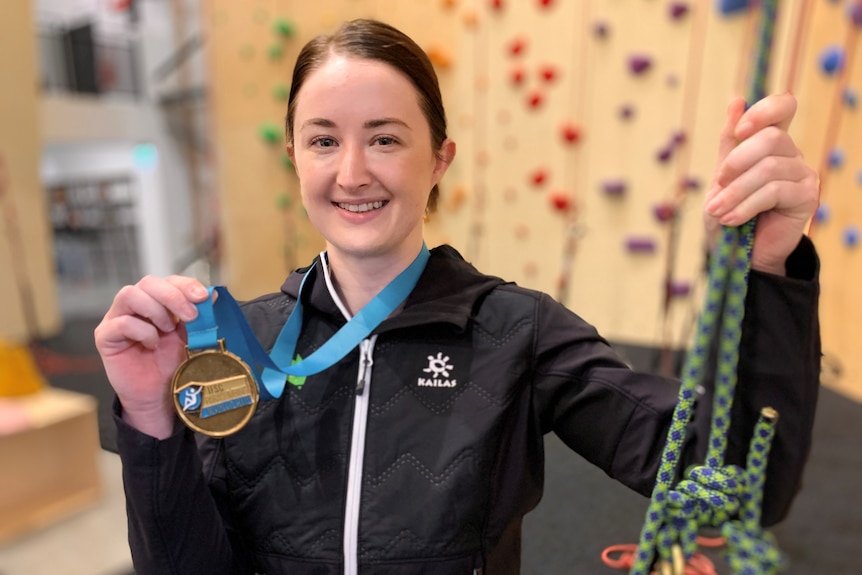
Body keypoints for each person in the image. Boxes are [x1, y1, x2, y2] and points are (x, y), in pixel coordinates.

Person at [94, 18, 821, 575]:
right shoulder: (237, 348)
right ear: (293, 155)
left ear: (439, 158)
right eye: (323, 141)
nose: (351, 172)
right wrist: (152, 414)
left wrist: (766, 273)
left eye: (384, 139)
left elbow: (734, 484)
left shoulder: (516, 332)